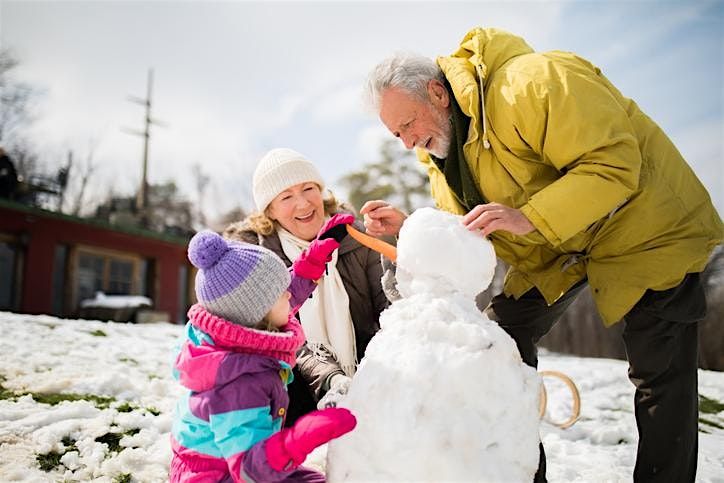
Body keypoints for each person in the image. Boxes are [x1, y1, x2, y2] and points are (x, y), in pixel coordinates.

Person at [361, 27, 723, 483]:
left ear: (438, 93)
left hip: (645, 225)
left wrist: (528, 217)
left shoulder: (532, 82)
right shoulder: (440, 157)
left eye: (408, 125)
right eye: (396, 134)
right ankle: (522, 473)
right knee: (498, 338)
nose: (407, 143)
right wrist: (411, 226)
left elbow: (613, 163)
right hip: (558, 249)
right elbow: (471, 230)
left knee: (659, 373)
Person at [169, 220, 357, 482]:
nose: (289, 296)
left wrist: (312, 259)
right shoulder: (239, 383)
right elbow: (248, 470)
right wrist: (298, 439)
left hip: (242, 459)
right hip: (217, 475)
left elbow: (280, 293)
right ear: (258, 312)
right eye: (282, 293)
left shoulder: (244, 329)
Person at [223, 147, 388, 422]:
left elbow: (387, 308)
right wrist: (330, 378)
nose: (303, 204)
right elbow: (277, 334)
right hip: (292, 388)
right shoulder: (254, 259)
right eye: (286, 196)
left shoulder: (356, 236)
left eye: (308, 188)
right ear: (270, 212)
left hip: (367, 372)